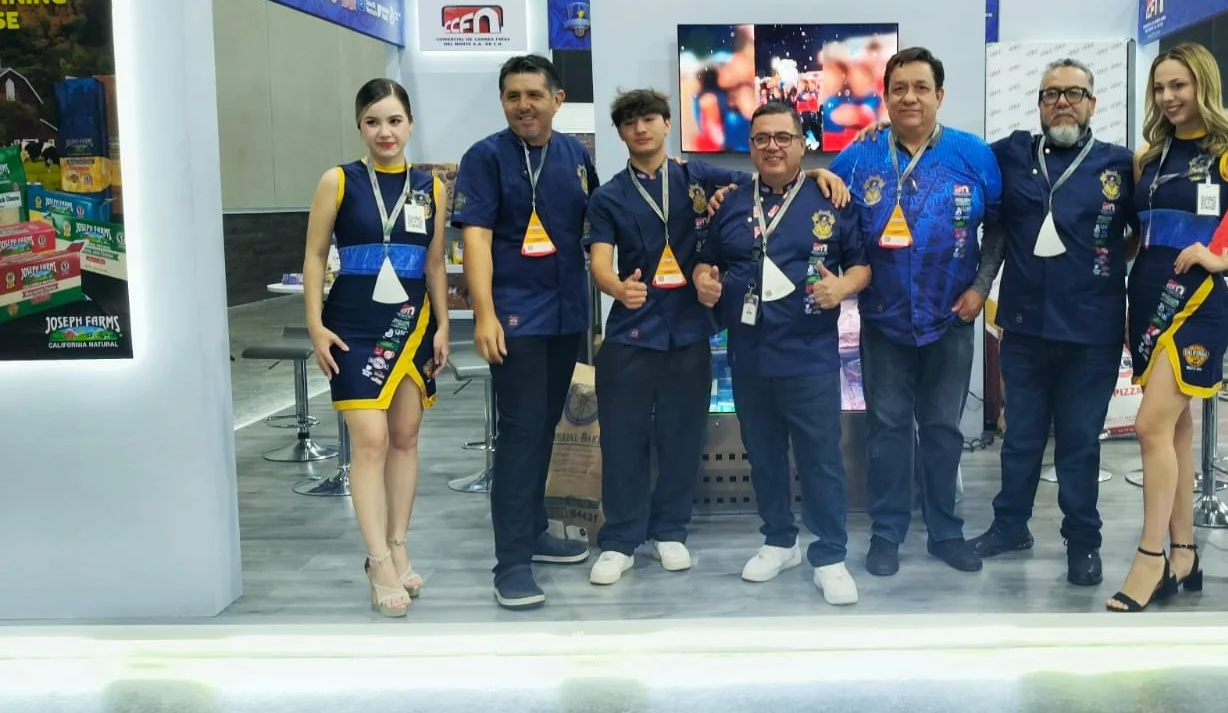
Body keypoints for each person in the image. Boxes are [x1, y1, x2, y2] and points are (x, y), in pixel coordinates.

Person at [584, 88, 850, 586]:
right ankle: (619, 541)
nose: (641, 129)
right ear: (620, 133)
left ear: (667, 125)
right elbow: (599, 258)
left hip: (690, 331)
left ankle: (670, 532)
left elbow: (773, 179)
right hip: (632, 331)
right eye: (630, 122)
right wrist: (616, 287)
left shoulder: (698, 177)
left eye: (650, 119)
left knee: (682, 439)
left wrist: (818, 173)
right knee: (623, 440)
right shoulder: (609, 196)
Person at [1108, 42, 1228, 612]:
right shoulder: (1147, 157)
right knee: (1175, 432)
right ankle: (1185, 553)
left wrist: (1223, 257)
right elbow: (1138, 236)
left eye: (1179, 85)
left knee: (1149, 426)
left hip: (1195, 304)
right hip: (1146, 300)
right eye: (1160, 87)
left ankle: (1150, 558)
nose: (1168, 97)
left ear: (1203, 86)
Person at [828, 46, 1003, 576]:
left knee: (943, 428)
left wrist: (981, 287)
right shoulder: (860, 156)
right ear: (885, 97)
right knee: (887, 430)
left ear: (939, 95)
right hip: (883, 320)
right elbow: (824, 199)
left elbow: (999, 226)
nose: (910, 97)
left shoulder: (973, 154)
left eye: (921, 87)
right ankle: (887, 533)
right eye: (899, 88)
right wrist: (816, 176)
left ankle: (945, 531)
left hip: (952, 317)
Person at [692, 100, 872, 605]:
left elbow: (862, 265)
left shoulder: (831, 198)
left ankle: (830, 556)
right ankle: (779, 541)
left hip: (810, 355)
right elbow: (706, 262)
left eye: (783, 137)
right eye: (762, 138)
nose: (772, 146)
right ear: (750, 146)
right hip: (748, 355)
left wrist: (842, 288)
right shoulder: (730, 203)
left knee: (820, 459)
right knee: (765, 456)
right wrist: (703, 281)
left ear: (801, 145)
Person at [967, 59, 1136, 588]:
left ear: (1092, 103)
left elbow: (1139, 233)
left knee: (1080, 443)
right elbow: (951, 151)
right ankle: (1010, 527)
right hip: (1024, 328)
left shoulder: (1121, 165)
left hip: (1092, 332)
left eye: (1073, 93)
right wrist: (883, 131)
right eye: (1050, 94)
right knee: (1020, 438)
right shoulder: (1011, 154)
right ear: (1039, 104)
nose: (1062, 102)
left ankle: (1083, 542)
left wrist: (1105, 265)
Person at [303, 79, 450, 618]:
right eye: (373, 121)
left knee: (405, 438)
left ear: (409, 124)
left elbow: (434, 262)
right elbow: (315, 256)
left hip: (412, 325)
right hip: (352, 326)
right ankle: (376, 560)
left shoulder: (431, 188)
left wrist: (443, 325)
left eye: (394, 120)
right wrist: (315, 325)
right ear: (359, 127)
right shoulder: (338, 181)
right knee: (370, 440)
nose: (384, 132)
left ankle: (398, 545)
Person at [453, 54, 594, 611]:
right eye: (512, 96)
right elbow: (476, 240)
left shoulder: (574, 156)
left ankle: (534, 531)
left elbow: (597, 223)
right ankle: (510, 564)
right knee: (520, 435)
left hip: (567, 316)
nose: (523, 105)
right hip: (515, 318)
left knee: (545, 430)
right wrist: (484, 314)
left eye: (534, 95)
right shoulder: (484, 157)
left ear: (557, 100)